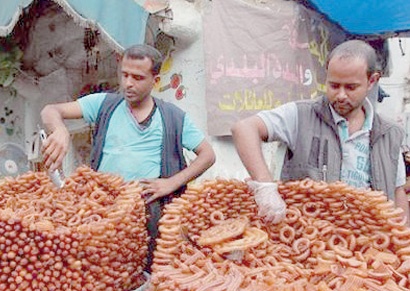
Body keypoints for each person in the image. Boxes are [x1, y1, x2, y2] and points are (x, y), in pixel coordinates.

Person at [41, 44, 216, 262]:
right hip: (103, 209)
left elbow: (207, 155)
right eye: (124, 75)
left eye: (138, 77)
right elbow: (51, 110)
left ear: (156, 80)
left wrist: (172, 183)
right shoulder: (104, 104)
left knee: (149, 271)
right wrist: (59, 130)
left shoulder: (173, 117)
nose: (128, 83)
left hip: (150, 212)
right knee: (104, 270)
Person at [231, 39, 410, 225]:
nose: (340, 95)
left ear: (372, 81)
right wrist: (265, 186)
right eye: (333, 85)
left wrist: (403, 241)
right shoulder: (301, 115)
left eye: (350, 87)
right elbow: (244, 128)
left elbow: (397, 191)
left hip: (366, 241)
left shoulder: (389, 133)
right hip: (309, 240)